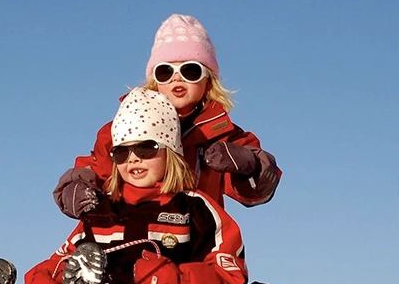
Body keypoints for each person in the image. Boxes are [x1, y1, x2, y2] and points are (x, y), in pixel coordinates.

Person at [0, 88, 306, 284]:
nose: (133, 158)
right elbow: (61, 258)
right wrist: (51, 277)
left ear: (170, 153)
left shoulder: (195, 209)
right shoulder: (102, 210)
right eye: (122, 151)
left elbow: (228, 278)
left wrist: (177, 283)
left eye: (147, 148)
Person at [54, 14, 281, 221]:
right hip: (134, 231)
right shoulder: (126, 128)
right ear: (155, 80)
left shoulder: (223, 135)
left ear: (208, 79)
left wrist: (249, 165)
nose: (176, 78)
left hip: (197, 237)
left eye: (190, 70)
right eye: (165, 71)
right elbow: (97, 169)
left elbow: (256, 193)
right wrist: (77, 187)